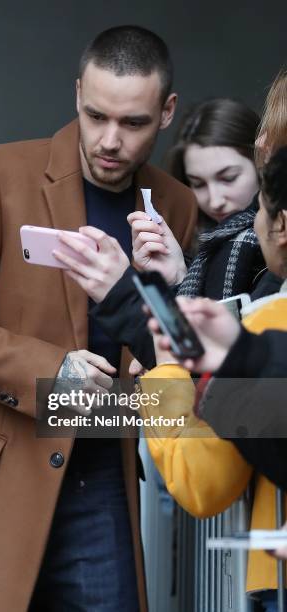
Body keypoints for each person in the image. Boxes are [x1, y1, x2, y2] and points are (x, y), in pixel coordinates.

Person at [0, 26, 197, 612]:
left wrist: (168, 292)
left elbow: (178, 362)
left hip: (104, 468)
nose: (110, 140)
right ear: (77, 93)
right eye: (95, 115)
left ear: (166, 113)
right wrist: (48, 368)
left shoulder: (176, 205)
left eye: (133, 123)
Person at [142, 146, 287, 612]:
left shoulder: (273, 317)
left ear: (280, 224)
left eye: (256, 208)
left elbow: (202, 484)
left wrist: (167, 371)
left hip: (275, 577)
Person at [54, 97, 263, 370]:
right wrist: (178, 275)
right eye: (198, 183)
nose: (215, 199)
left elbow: (218, 366)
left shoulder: (264, 245)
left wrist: (122, 291)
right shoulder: (198, 243)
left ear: (262, 162)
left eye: (228, 178)